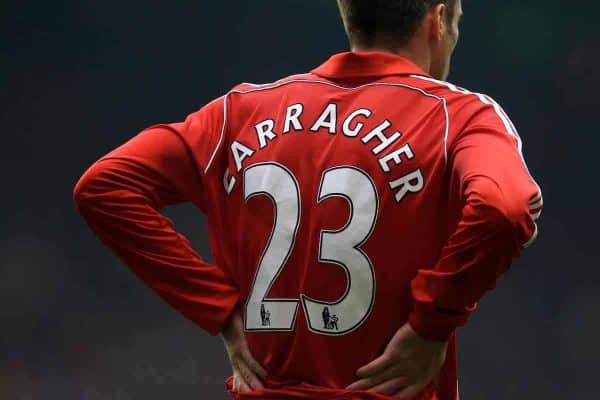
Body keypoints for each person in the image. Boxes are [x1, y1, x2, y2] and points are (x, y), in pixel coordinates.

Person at [73, 0, 543, 398]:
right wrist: (432, 322)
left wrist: (218, 308)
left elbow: (104, 186)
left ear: (348, 16)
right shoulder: (456, 116)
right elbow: (506, 209)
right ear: (438, 20)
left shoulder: (239, 112)